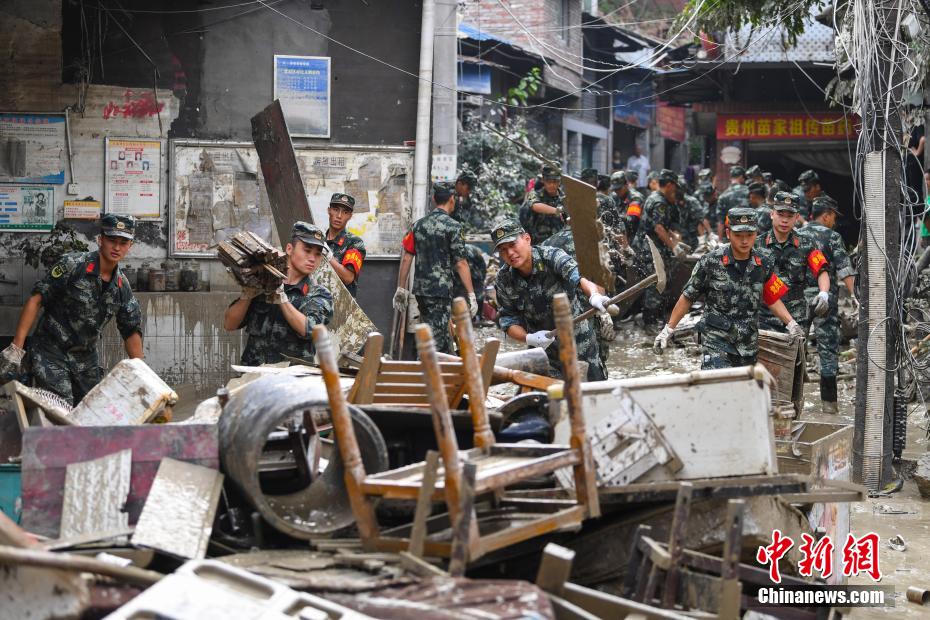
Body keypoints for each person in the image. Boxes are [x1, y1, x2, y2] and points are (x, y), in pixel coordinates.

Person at [1, 214, 143, 404]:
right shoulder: (72, 265)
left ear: (129, 246)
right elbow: (36, 299)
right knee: (60, 407)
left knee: (92, 410)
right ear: (100, 240)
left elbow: (131, 330)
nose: (117, 247)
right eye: (111, 240)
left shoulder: (121, 287)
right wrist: (16, 349)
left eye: (123, 242)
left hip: (85, 359)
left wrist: (143, 375)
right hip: (50, 351)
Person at [654, 208, 805, 368]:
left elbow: (772, 297)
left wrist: (791, 324)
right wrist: (668, 329)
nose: (745, 241)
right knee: (720, 384)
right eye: (739, 236)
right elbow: (688, 297)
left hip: (747, 344)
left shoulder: (764, 262)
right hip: (716, 340)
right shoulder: (710, 262)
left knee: (743, 390)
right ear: (728, 233)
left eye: (750, 235)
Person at [493, 219, 610, 381]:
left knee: (594, 395)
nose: (510, 253)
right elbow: (508, 320)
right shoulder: (503, 279)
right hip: (544, 350)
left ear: (527, 239)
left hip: (579, 343)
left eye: (513, 245)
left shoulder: (551, 256)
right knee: (548, 400)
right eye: (503, 250)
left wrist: (594, 295)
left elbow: (578, 277)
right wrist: (528, 338)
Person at [225, 222, 334, 366]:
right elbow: (229, 324)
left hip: (291, 381)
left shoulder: (319, 294)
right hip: (254, 376)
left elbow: (309, 330)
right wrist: (247, 294)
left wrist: (281, 297)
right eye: (307, 251)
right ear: (289, 249)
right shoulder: (263, 282)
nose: (312, 258)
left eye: (318, 254)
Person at [393, 182, 477, 354]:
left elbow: (407, 257)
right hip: (440, 292)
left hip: (421, 291)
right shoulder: (454, 227)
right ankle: (423, 374)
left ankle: (449, 370)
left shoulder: (418, 225)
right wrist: (471, 294)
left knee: (436, 332)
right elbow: (460, 263)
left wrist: (401, 288)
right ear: (452, 199)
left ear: (433, 199)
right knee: (435, 343)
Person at [799, 195, 857, 414]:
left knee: (795, 346)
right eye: (833, 216)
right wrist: (857, 299)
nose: (834, 221)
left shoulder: (797, 235)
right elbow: (845, 270)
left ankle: (792, 403)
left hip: (799, 301)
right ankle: (829, 405)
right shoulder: (832, 237)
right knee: (827, 348)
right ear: (826, 215)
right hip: (825, 299)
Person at [754, 191, 831, 334]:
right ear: (772, 214)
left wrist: (824, 293)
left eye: (789, 216)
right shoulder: (757, 245)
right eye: (780, 214)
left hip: (798, 316)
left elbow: (821, 270)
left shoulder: (807, 243)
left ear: (796, 217)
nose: (784, 220)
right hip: (765, 317)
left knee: (797, 356)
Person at [632, 169, 688, 329]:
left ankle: (656, 319)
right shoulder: (659, 202)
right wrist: (674, 247)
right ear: (669, 185)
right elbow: (658, 228)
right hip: (650, 249)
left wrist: (674, 238)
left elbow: (662, 226)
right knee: (656, 284)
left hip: (654, 248)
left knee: (662, 283)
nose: (675, 190)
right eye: (674, 186)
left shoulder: (657, 198)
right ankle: (649, 322)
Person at [324, 193, 366, 298]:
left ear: (350, 216)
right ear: (329, 211)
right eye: (335, 209)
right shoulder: (319, 240)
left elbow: (348, 278)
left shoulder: (355, 243)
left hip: (343, 307)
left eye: (345, 212)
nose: (339, 216)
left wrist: (327, 256)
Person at [519, 165, 565, 244]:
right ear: (543, 180)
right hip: (538, 244)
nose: (551, 185)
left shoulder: (565, 197)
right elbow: (535, 205)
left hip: (560, 244)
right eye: (548, 181)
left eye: (555, 181)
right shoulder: (535, 193)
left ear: (560, 181)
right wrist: (558, 210)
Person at [715, 166, 749, 237]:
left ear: (731, 178)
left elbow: (720, 222)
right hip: (749, 235)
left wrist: (719, 241)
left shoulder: (723, 196)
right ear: (741, 177)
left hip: (732, 236)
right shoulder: (749, 192)